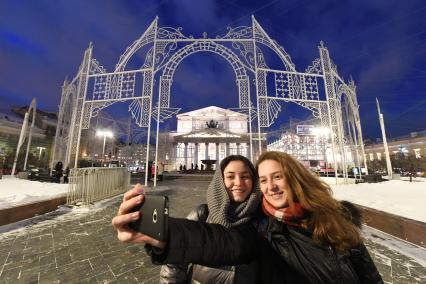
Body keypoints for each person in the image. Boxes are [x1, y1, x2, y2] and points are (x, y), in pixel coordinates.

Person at [112, 151, 382, 283]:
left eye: (277, 177)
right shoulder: (264, 226)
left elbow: (370, 277)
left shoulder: (337, 221)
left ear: (296, 179)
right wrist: (165, 235)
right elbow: (224, 243)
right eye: (264, 179)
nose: (271, 186)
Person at [160, 155, 262, 283]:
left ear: (254, 181)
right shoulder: (203, 214)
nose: (238, 183)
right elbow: (174, 263)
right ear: (220, 181)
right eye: (230, 176)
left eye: (245, 176)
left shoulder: (263, 219)